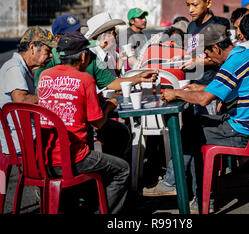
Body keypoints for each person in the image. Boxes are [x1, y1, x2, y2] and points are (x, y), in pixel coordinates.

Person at [144, 24, 249, 214]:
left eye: (208, 54)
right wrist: (203, 88)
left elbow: (204, 101)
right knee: (193, 126)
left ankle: (197, 196)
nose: (208, 59)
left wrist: (177, 94)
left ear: (216, 48)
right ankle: (176, 182)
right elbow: (225, 86)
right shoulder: (246, 53)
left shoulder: (231, 63)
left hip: (243, 132)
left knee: (192, 134)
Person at [34, 14, 158, 160]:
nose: (77, 36)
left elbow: (111, 82)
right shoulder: (50, 59)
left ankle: (102, 170)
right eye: (71, 34)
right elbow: (41, 91)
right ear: (58, 39)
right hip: (62, 123)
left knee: (120, 133)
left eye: (78, 32)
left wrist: (138, 77)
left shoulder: (91, 56)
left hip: (88, 118)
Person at [37, 31, 130, 214]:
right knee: (122, 170)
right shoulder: (85, 80)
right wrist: (110, 105)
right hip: (74, 158)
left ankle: (88, 199)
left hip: (45, 156)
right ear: (83, 56)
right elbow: (98, 124)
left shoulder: (45, 76)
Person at [0, 26, 56, 154]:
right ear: (32, 47)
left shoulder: (23, 68)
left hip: (26, 137)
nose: (51, 55)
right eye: (47, 50)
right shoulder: (14, 68)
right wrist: (50, 96)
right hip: (20, 142)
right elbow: (21, 99)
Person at [180, 0, 230, 86]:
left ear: (208, 3)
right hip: (192, 80)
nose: (190, 10)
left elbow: (224, 58)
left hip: (210, 83)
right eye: (188, 5)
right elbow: (192, 52)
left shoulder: (218, 24)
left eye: (195, 5)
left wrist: (199, 62)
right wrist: (181, 58)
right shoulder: (191, 26)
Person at [84, 12, 126, 76]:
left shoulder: (107, 54)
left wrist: (120, 60)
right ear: (104, 37)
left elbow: (112, 78)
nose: (116, 36)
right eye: (114, 33)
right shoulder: (92, 57)